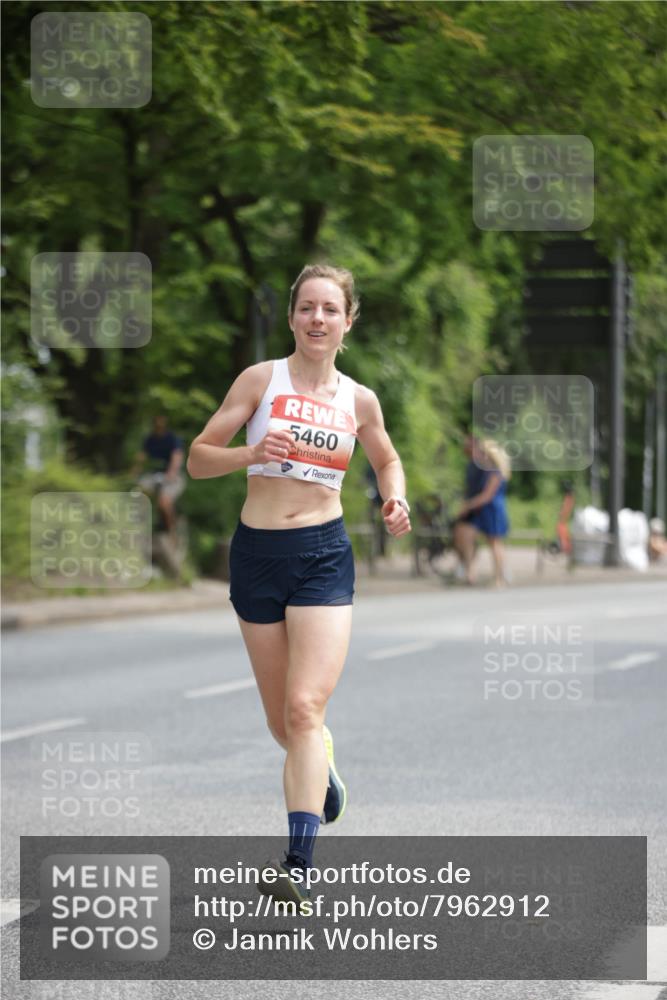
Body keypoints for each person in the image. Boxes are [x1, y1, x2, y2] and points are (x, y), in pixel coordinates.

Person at [186, 263, 411, 904]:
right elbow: (201, 457)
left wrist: (394, 499)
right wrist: (249, 454)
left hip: (322, 553)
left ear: (347, 321)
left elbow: (386, 457)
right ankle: (322, 772)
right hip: (256, 554)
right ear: (292, 318)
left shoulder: (358, 399)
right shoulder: (261, 380)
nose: (317, 319)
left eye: (329, 310)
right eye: (307, 308)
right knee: (283, 724)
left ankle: (298, 865)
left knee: (304, 707)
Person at [452, 435, 511, 587]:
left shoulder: (495, 472)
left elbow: (487, 496)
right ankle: (470, 571)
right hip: (484, 510)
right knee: (467, 535)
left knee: (495, 543)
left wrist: (468, 505)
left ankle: (499, 578)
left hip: (493, 511)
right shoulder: (486, 470)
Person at [132, 414, 186, 542]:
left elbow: (177, 457)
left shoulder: (173, 439)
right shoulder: (150, 439)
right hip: (154, 475)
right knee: (138, 492)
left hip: (172, 476)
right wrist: (135, 471)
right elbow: (142, 456)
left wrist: (172, 473)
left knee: (164, 502)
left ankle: (172, 533)